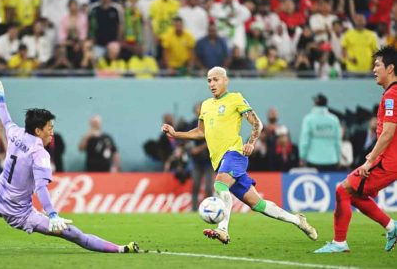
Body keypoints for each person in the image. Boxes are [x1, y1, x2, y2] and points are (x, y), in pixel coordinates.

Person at [0, 78, 138, 254]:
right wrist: (53, 215)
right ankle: (120, 249)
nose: (52, 133)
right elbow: (40, 188)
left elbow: (5, 119)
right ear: (38, 131)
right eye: (49, 129)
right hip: (21, 213)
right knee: (73, 234)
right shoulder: (39, 154)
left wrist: (0, 99)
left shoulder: (15, 133)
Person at [162, 66, 317, 244]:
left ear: (225, 80)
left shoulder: (235, 98)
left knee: (220, 184)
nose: (212, 84)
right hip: (220, 161)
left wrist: (251, 143)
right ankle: (298, 221)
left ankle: (222, 229)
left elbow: (257, 123)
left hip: (234, 154)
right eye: (209, 80)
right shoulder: (206, 105)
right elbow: (200, 132)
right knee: (258, 205)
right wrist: (176, 134)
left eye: (216, 79)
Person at [315, 46, 397, 253]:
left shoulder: (392, 95)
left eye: (378, 65)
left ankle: (339, 243)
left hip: (387, 161)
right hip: (388, 159)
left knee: (343, 189)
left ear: (391, 68)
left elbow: (388, 132)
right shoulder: (391, 93)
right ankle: (391, 226)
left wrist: (370, 161)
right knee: (353, 194)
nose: (373, 70)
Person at [299, 93, 342, 172]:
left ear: (315, 103)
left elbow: (304, 141)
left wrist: (302, 157)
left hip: (313, 159)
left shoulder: (308, 119)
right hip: (332, 159)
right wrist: (338, 158)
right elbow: (338, 141)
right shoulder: (334, 119)